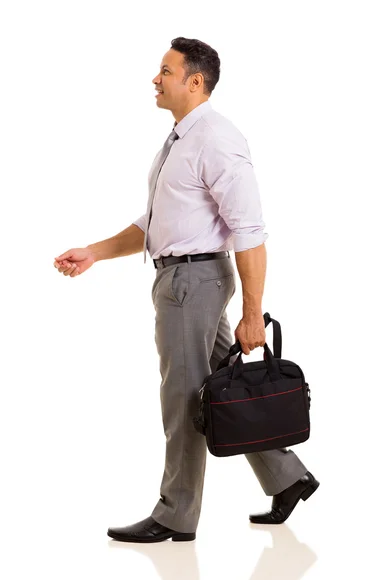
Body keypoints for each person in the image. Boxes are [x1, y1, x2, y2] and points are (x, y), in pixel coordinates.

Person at [53, 37, 319, 543]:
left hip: (191, 284)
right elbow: (154, 223)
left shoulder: (216, 139)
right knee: (223, 388)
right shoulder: (180, 140)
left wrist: (253, 313)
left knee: (182, 398)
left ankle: (176, 513)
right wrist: (95, 251)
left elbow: (250, 229)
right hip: (184, 279)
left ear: (195, 81)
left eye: (165, 70)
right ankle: (289, 477)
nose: (156, 79)